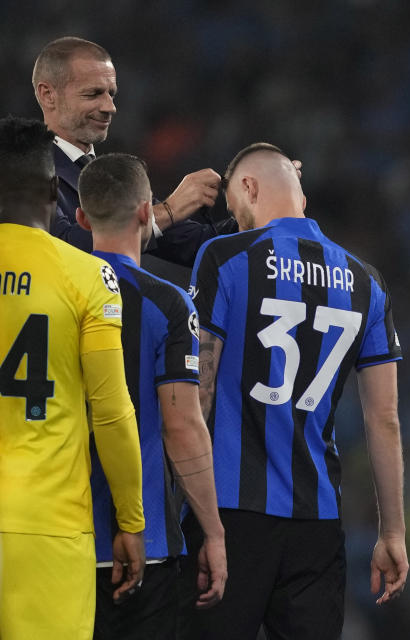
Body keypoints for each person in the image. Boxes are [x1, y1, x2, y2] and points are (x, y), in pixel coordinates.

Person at [184, 142, 408, 638]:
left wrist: (188, 511)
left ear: (248, 187)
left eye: (235, 209)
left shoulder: (224, 258)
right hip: (318, 520)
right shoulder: (366, 281)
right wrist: (392, 530)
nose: (236, 221)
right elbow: (384, 419)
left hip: (228, 513)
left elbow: (199, 393)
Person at [0, 115, 146, 639]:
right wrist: (130, 520)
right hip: (49, 525)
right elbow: (111, 412)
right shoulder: (89, 276)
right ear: (51, 189)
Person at [74, 153, 228, 638]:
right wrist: (214, 532)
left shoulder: (58, 291)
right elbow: (182, 425)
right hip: (149, 541)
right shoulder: (166, 302)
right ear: (147, 212)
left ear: (81, 217)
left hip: (59, 537)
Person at [31, 36, 236, 285]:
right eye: (93, 94)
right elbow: (61, 249)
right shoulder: (24, 171)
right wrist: (169, 210)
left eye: (111, 94)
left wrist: (265, 200)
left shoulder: (112, 177)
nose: (110, 107)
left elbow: (201, 245)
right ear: (48, 95)